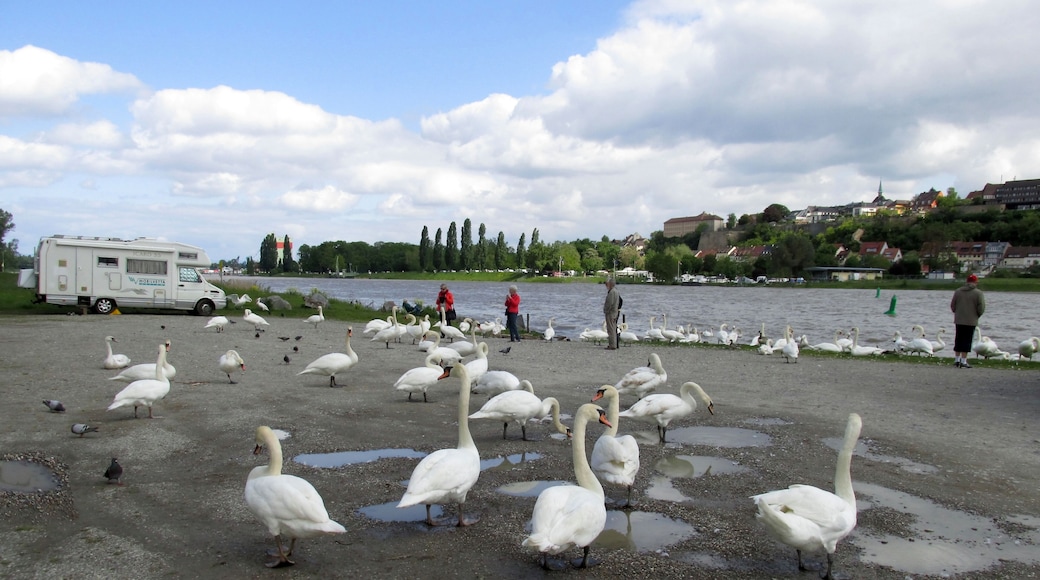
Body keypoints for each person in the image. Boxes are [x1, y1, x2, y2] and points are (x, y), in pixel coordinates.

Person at [950, 273, 985, 368]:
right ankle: (964, 361)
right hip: (971, 320)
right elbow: (981, 307)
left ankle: (956, 359)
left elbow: (953, 305)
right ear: (975, 282)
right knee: (967, 340)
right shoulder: (978, 293)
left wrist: (957, 313)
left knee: (958, 339)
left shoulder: (958, 292)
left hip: (959, 319)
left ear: (967, 282)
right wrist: (977, 315)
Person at [603, 277, 621, 350]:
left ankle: (612, 345)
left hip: (611, 313)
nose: (606, 285)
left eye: (607, 283)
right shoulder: (616, 291)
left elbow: (609, 303)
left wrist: (606, 310)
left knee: (611, 329)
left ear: (610, 284)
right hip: (614, 312)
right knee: (613, 328)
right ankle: (614, 344)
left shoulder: (612, 292)